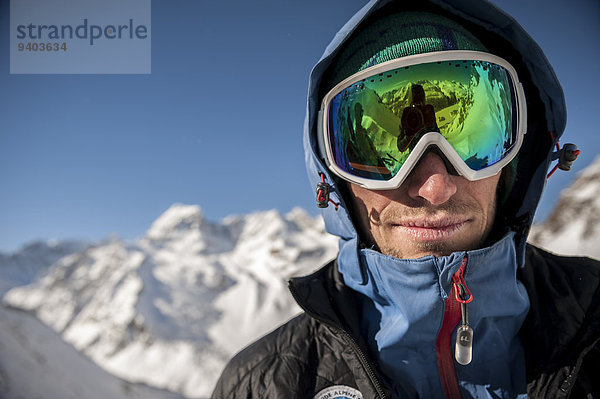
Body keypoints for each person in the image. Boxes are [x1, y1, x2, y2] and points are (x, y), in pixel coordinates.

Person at [211, 0, 600, 398]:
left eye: (471, 137)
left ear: (512, 164)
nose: (435, 187)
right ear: (334, 180)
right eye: (378, 149)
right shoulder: (261, 386)